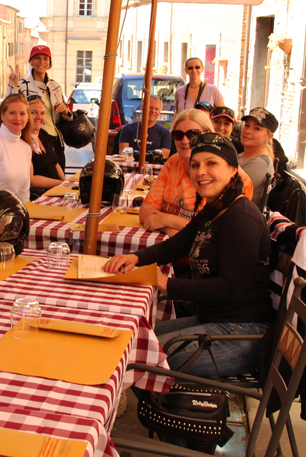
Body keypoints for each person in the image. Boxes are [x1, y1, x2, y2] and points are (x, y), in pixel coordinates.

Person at [104, 133, 275, 377]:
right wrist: (136, 258)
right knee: (131, 344)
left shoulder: (240, 217)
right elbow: (175, 246)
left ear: (233, 170)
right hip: (214, 319)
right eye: (195, 165)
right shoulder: (215, 208)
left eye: (211, 163)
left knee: (138, 359)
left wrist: (166, 283)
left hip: (243, 333)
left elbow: (231, 288)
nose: (200, 172)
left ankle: (169, 406)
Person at [140, 109, 253, 238]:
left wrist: (168, 220)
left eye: (193, 134)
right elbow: (145, 211)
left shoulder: (233, 175)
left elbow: (216, 231)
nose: (184, 140)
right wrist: (169, 230)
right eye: (178, 134)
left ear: (208, 134)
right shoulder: (174, 162)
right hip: (171, 250)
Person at [7, 45, 72, 169]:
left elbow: (67, 116)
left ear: (49, 62)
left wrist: (66, 111)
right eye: (37, 58)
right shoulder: (22, 85)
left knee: (59, 180)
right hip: (33, 141)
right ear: (31, 61)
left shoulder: (55, 86)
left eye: (45, 58)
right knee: (39, 180)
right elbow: (9, 106)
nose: (41, 62)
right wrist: (13, 86)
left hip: (55, 140)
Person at [239, 107, 278, 208]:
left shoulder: (259, 164)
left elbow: (230, 193)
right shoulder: (241, 156)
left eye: (257, 128)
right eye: (247, 125)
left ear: (268, 137)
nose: (247, 131)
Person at [28, 98, 66, 199]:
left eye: (42, 113)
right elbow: (31, 180)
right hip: (39, 195)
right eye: (33, 112)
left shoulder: (43, 134)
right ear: (25, 115)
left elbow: (55, 162)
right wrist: (60, 184)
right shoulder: (23, 140)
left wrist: (66, 183)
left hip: (55, 191)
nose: (39, 117)